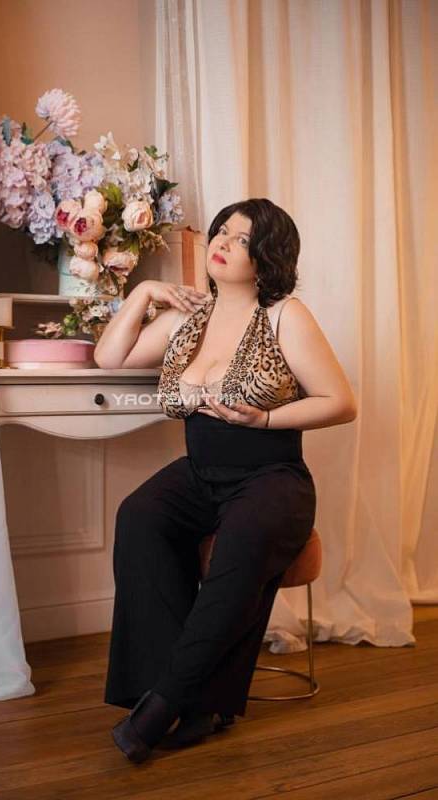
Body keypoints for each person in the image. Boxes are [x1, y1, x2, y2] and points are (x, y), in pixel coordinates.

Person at [94, 198, 357, 763]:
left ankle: (165, 704)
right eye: (222, 231)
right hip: (200, 472)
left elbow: (340, 402)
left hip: (272, 475)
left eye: (242, 239)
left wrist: (264, 419)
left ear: (265, 257)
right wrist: (144, 293)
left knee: (240, 544)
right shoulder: (186, 317)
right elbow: (108, 357)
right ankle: (190, 701)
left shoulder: (286, 315)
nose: (223, 242)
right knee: (139, 516)